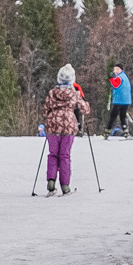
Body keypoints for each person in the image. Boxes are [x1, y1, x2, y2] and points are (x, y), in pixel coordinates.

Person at [40, 65, 90, 194]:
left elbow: (45, 109)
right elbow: (85, 109)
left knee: (53, 154)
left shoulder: (52, 93)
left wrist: (51, 114)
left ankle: (51, 181)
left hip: (53, 125)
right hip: (68, 125)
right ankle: (65, 185)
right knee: (64, 155)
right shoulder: (74, 93)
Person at [106, 64, 132, 136]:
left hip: (119, 100)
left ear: (119, 69)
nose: (114, 71)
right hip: (126, 100)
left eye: (115, 69)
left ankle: (108, 130)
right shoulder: (125, 77)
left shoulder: (119, 77)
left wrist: (111, 79)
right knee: (123, 115)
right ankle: (125, 130)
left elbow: (116, 85)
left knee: (113, 115)